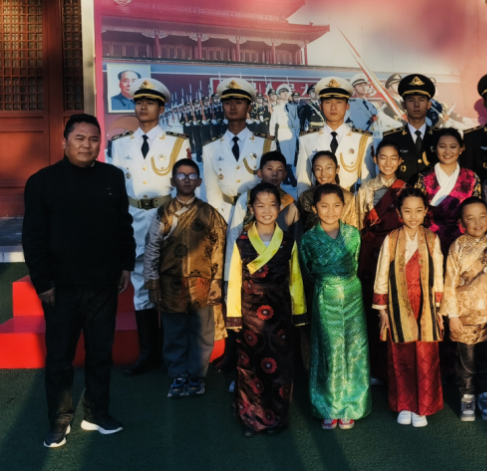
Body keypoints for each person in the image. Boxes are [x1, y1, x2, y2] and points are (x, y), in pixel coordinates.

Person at [22, 114, 134, 448]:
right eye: (79, 138)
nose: (87, 145)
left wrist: (126, 265)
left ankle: (97, 413)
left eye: (93, 139)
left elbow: (123, 225)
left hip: (103, 284)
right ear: (64, 142)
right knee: (60, 357)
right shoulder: (42, 182)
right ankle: (59, 420)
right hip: (61, 287)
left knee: (101, 352)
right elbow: (33, 237)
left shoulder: (112, 177)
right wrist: (43, 282)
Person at [110, 78, 190, 376]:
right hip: (133, 220)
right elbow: (116, 188)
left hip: (166, 219)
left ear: (162, 108)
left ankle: (172, 354)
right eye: (139, 101)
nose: (143, 106)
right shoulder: (120, 144)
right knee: (141, 285)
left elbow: (186, 187)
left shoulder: (177, 143)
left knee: (170, 285)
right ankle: (148, 353)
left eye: (150, 102)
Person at [226, 182, 307, 437]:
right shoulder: (241, 242)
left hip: (280, 315)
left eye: (272, 205)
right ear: (251, 208)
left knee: (280, 367)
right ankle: (251, 419)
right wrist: (234, 316)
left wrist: (299, 312)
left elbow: (295, 280)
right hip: (250, 316)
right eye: (260, 205)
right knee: (250, 368)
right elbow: (235, 281)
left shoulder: (288, 242)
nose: (267, 210)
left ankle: (276, 418)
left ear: (279, 207)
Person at [143, 159, 227, 398]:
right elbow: (152, 248)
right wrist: (153, 283)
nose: (187, 180)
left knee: (202, 332)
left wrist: (216, 281)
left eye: (191, 176)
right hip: (171, 284)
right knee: (174, 331)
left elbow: (219, 248)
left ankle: (197, 376)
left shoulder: (209, 213)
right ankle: (178, 375)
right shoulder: (164, 213)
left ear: (199, 181)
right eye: (181, 176)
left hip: (202, 284)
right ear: (173, 181)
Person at [299, 183, 371, 429]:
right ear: (314, 208)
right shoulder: (308, 239)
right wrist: (326, 284)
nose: (330, 211)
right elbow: (307, 271)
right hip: (325, 295)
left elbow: (356, 262)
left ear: (344, 206)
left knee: (355, 347)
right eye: (324, 206)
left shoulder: (353, 234)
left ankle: (352, 404)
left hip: (352, 294)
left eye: (336, 205)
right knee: (328, 348)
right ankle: (328, 405)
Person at [373, 189, 445, 428]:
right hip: (398, 307)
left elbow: (439, 276)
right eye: (407, 211)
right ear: (399, 213)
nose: (413, 216)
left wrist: (438, 309)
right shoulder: (392, 239)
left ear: (425, 212)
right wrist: (382, 310)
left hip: (426, 308)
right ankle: (404, 405)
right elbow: (382, 273)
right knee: (400, 356)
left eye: (418, 210)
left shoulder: (432, 239)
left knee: (425, 357)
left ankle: (422, 407)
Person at [440, 198, 487, 422]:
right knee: (466, 363)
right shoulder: (457, 247)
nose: (477, 222)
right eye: (470, 218)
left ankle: (484, 394)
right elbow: (449, 282)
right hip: (464, 318)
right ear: (461, 223)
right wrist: (452, 315)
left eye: (482, 217)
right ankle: (467, 396)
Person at [356, 140, 408, 383]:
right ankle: (375, 367)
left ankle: (397, 367)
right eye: (383, 157)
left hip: (399, 251)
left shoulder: (406, 189)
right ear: (375, 159)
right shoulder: (365, 189)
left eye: (393, 157)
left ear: (400, 161)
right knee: (373, 308)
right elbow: (358, 223)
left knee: (398, 306)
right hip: (372, 253)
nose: (388, 162)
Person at [201, 79, 275, 227]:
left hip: (257, 215)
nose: (233, 107)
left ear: (249, 107)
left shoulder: (266, 144)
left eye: (239, 102)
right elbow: (212, 191)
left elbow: (272, 186)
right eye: (227, 103)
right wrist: (215, 221)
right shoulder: (210, 148)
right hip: (225, 215)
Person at [296, 77, 375, 195]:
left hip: (349, 202)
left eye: (339, 102)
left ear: (347, 106)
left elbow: (367, 182)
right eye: (328, 102)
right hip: (317, 201)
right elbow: (303, 182)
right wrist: (305, 205)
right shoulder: (307, 139)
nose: (333, 107)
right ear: (320, 107)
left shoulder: (362, 139)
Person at [415, 128, 482, 251]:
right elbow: (416, 214)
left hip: (464, 242)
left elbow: (477, 213)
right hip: (430, 241)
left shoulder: (472, 178)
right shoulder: (424, 178)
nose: (447, 151)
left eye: (453, 147)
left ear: (461, 149)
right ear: (435, 148)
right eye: (442, 146)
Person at [380, 74, 439, 185]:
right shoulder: (391, 139)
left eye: (421, 100)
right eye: (411, 100)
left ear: (429, 104)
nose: (416, 105)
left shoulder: (440, 137)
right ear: (403, 105)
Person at [297, 151, 360, 232]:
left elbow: (353, 228)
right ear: (313, 171)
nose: (323, 173)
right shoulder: (306, 196)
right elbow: (299, 228)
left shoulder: (348, 197)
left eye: (329, 168)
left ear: (337, 169)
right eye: (318, 169)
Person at [268, 84, 300, 181]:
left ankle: (285, 178)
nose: (285, 94)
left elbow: (297, 122)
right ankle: (292, 179)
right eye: (282, 93)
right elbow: (272, 124)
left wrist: (297, 136)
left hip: (292, 133)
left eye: (286, 92)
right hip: (282, 133)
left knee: (292, 157)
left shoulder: (293, 107)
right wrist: (272, 138)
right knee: (286, 156)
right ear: (279, 95)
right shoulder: (276, 108)